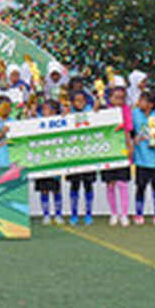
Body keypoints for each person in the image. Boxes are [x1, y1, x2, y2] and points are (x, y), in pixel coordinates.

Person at [131, 91, 155, 225]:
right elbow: (129, 127)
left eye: (143, 101)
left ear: (151, 104)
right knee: (140, 187)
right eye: (140, 100)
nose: (140, 102)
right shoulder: (135, 113)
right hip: (141, 158)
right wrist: (133, 135)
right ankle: (138, 214)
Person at [101, 81, 133, 227]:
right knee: (110, 184)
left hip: (121, 149)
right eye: (116, 98)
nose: (119, 101)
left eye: (122, 98)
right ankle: (113, 213)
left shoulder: (126, 110)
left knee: (123, 183)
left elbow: (127, 130)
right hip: (108, 150)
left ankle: (124, 214)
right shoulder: (104, 110)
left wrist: (129, 146)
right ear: (110, 98)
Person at [66, 89, 97, 226]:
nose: (80, 103)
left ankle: (88, 213)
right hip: (74, 156)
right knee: (74, 185)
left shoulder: (91, 112)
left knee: (88, 185)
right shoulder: (68, 113)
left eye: (82, 101)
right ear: (72, 102)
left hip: (88, 155)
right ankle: (74, 213)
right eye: (77, 101)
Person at [33, 99, 63, 225]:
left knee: (56, 189)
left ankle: (58, 214)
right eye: (44, 109)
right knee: (44, 189)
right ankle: (46, 214)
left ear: (55, 111)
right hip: (41, 160)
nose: (46, 112)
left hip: (55, 159)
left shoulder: (61, 121)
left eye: (49, 109)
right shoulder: (37, 121)